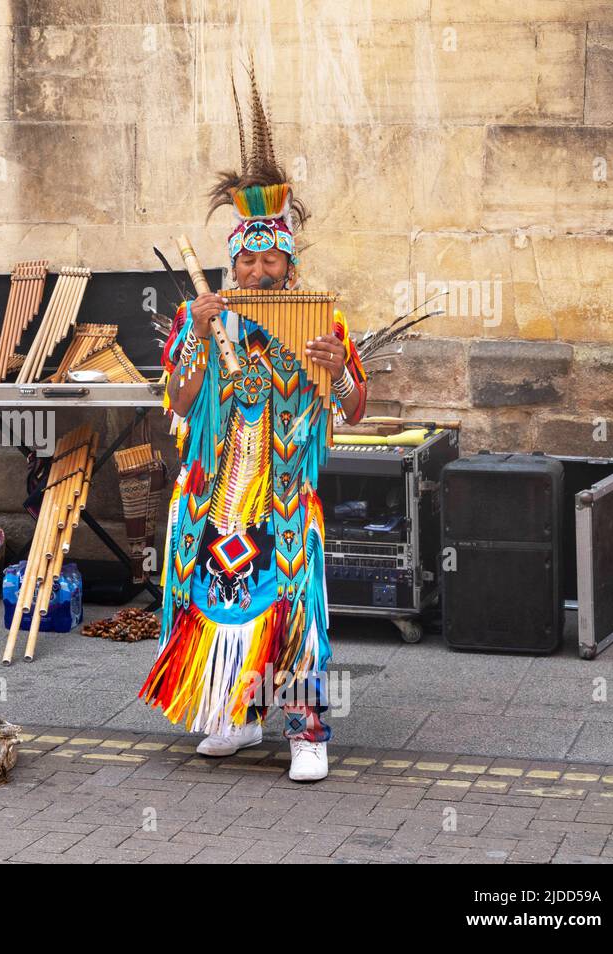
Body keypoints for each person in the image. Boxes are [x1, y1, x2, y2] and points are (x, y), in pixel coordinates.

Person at [140, 69, 368, 782]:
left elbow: (355, 409)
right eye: (248, 257)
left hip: (283, 496)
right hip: (214, 494)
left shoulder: (320, 320)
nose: (260, 269)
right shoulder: (198, 318)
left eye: (273, 257)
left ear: (290, 261)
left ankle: (307, 730)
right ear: (231, 260)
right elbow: (177, 403)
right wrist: (203, 340)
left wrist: (338, 370)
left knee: (295, 606)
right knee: (214, 603)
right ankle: (235, 715)